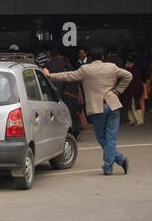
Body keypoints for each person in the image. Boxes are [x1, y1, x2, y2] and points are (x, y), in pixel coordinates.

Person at [43, 47, 132, 175]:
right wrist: (118, 89)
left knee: (102, 138)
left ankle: (110, 166)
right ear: (102, 57)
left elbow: (68, 76)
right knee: (111, 138)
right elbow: (128, 76)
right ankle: (118, 160)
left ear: (90, 57)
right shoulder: (112, 67)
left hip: (97, 107)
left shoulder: (86, 69)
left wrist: (50, 76)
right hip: (112, 105)